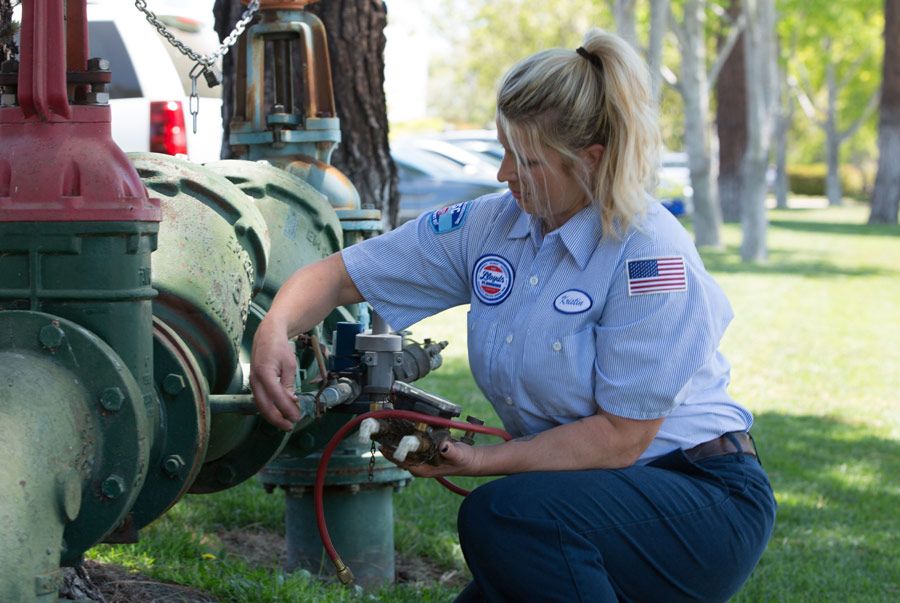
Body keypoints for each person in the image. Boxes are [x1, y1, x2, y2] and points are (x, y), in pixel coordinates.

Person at [250, 28, 776, 603]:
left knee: (501, 516)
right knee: (514, 527)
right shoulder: (492, 224)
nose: (503, 174)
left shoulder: (649, 251)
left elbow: (622, 438)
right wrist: (276, 328)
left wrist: (481, 460)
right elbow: (341, 274)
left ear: (590, 160)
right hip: (582, 501)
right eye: (502, 150)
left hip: (696, 498)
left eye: (524, 160)